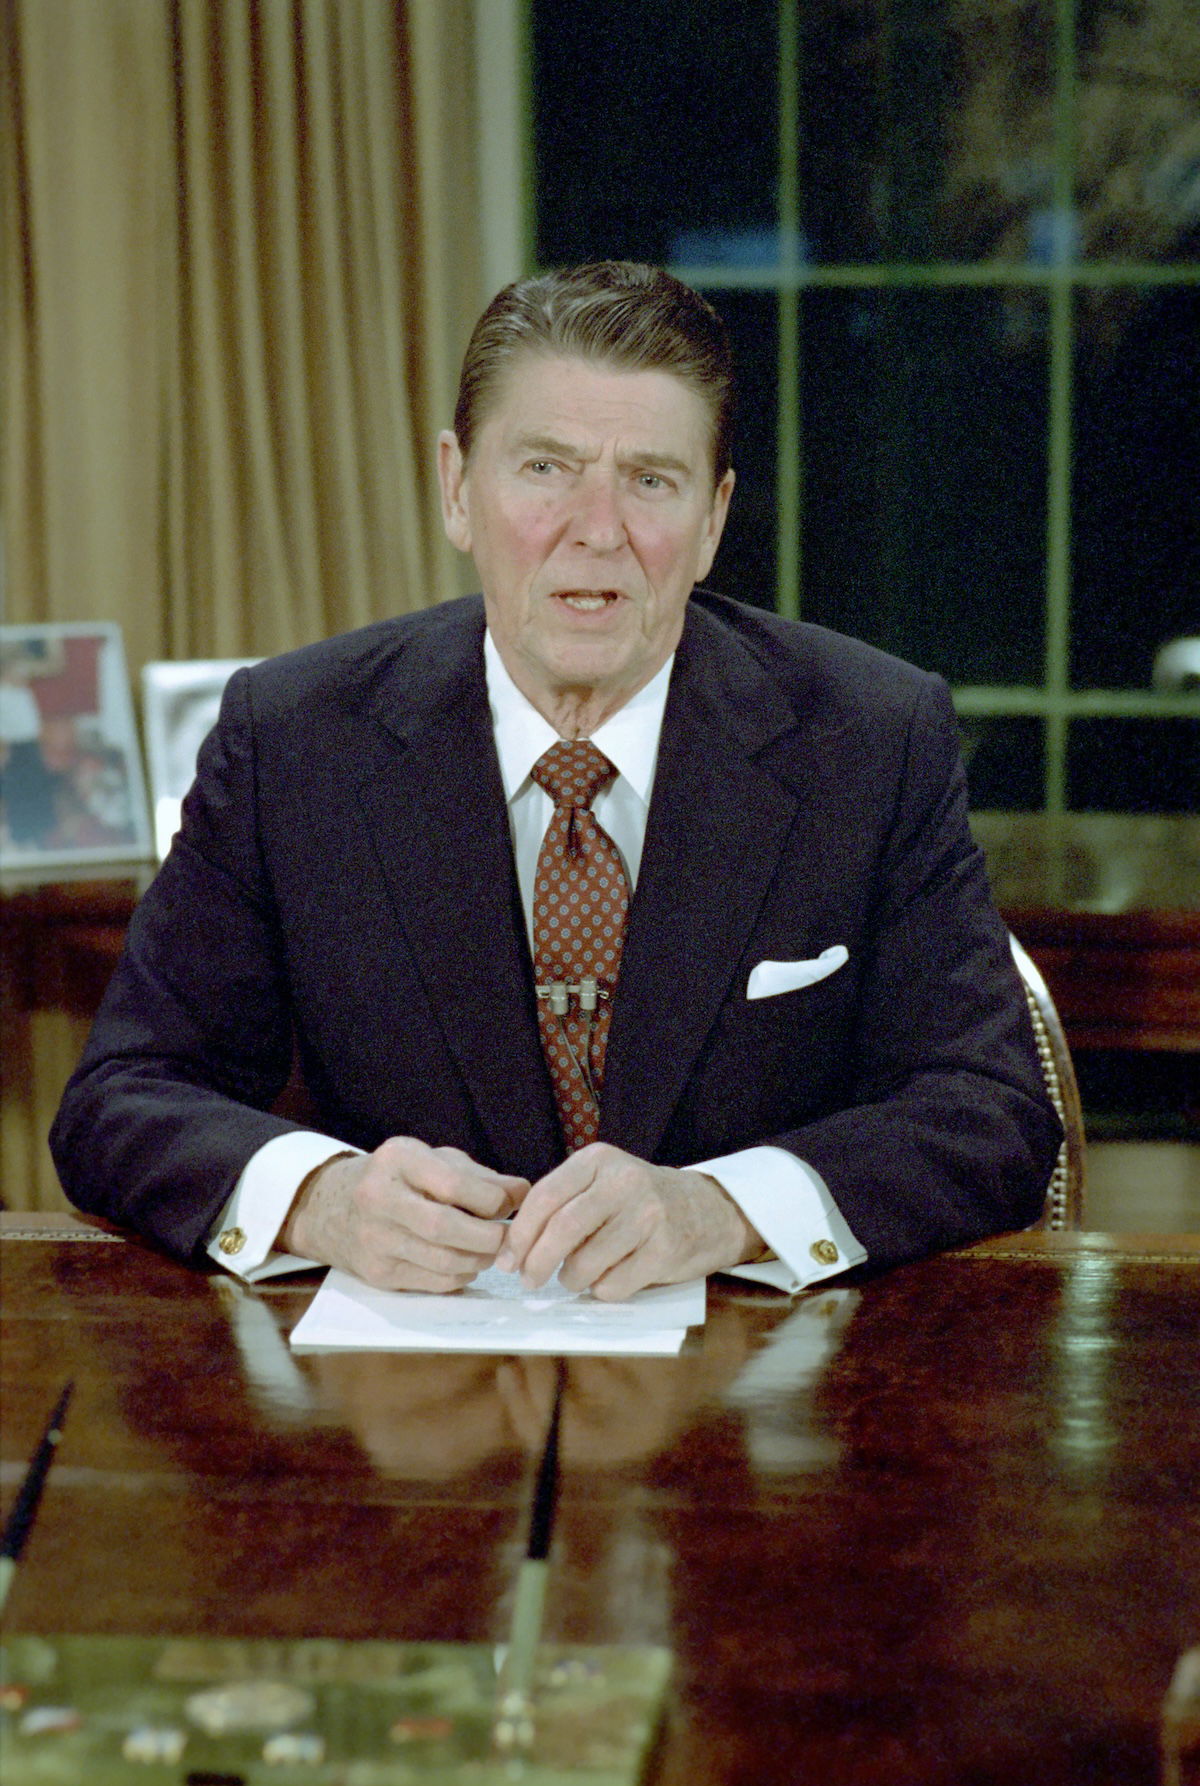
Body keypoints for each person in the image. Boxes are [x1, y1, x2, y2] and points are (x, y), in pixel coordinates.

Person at [50, 262, 1061, 1299]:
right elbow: (122, 1098)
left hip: (763, 1396)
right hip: (405, 1403)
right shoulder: (295, 739)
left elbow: (992, 1113)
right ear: (456, 488)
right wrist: (327, 1200)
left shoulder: (871, 737)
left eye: (651, 480)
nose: (597, 528)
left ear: (713, 520)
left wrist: (723, 1211)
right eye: (545, 468)